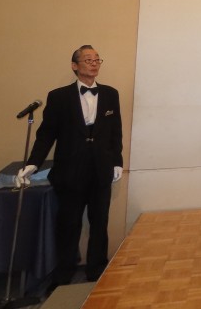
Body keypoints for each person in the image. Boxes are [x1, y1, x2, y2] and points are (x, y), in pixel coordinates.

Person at [16, 45, 123, 286]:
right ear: (75, 66)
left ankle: (97, 272)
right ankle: (63, 275)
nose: (94, 64)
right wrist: (33, 163)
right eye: (88, 60)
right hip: (70, 171)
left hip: (100, 170)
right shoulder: (59, 96)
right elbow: (46, 134)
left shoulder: (110, 94)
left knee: (100, 223)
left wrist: (117, 161)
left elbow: (115, 132)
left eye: (97, 60)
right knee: (68, 225)